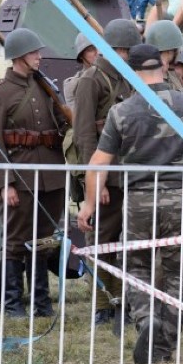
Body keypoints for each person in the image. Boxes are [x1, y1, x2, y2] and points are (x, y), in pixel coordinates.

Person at [78, 44, 183, 364]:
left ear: (134, 72)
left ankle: (145, 320)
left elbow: (99, 162)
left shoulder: (122, 112)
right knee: (180, 272)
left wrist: (88, 203)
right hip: (181, 198)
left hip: (138, 200)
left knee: (135, 265)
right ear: (163, 68)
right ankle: (164, 344)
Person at [0, 28, 67, 318]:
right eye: (33, 52)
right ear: (18, 56)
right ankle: (12, 304)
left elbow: (61, 127)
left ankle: (41, 303)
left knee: (44, 241)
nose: (39, 57)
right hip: (21, 177)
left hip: (51, 176)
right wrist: (5, 184)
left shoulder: (45, 88)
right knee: (15, 241)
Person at [72, 20, 142, 330]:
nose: (128, 56)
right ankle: (102, 304)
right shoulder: (92, 80)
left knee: (124, 242)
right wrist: (94, 182)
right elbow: (85, 135)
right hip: (105, 177)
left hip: (129, 174)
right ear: (118, 50)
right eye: (126, 50)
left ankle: (121, 301)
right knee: (100, 239)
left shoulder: (127, 78)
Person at [63, 33, 98, 110]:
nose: (97, 53)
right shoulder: (73, 85)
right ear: (81, 55)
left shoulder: (112, 76)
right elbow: (77, 116)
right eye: (91, 49)